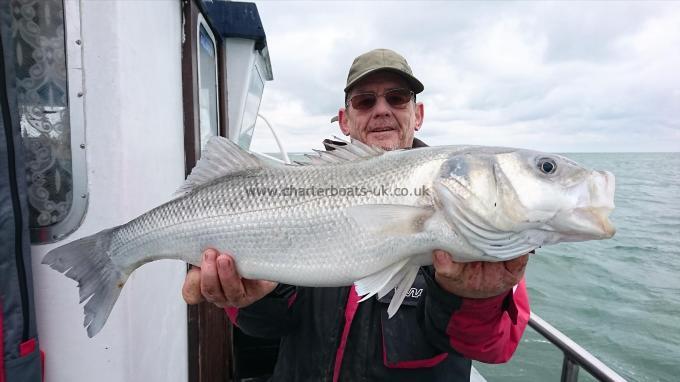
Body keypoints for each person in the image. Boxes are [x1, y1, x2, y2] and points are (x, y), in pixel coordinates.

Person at [182, 48, 531, 381]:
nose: (381, 109)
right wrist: (247, 301)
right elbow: (270, 326)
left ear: (418, 114)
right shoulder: (304, 191)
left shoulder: (464, 205)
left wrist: (476, 300)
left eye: (397, 98)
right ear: (345, 120)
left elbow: (494, 347)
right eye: (365, 101)